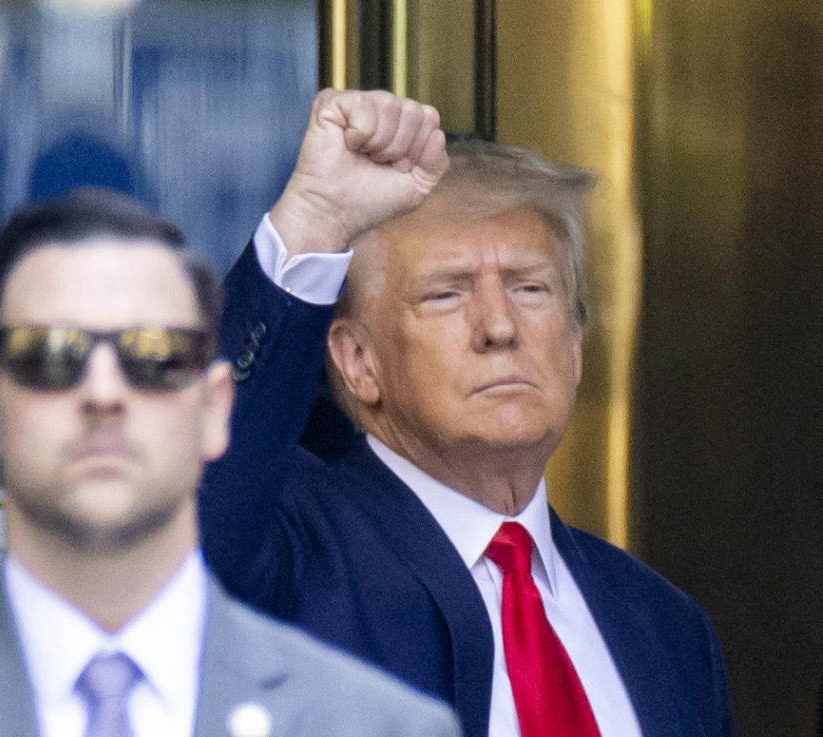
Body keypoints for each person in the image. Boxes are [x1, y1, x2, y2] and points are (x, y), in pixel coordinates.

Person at [0, 90, 460, 737]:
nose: (103, 390)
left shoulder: (381, 725)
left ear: (214, 408)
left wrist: (317, 217)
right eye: (51, 353)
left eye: (153, 355)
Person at [201, 137, 736, 737]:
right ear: (358, 361)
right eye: (446, 293)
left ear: (576, 346)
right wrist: (314, 217)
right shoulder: (291, 551)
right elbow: (196, 490)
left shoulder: (667, 629)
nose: (500, 326)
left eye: (530, 288)